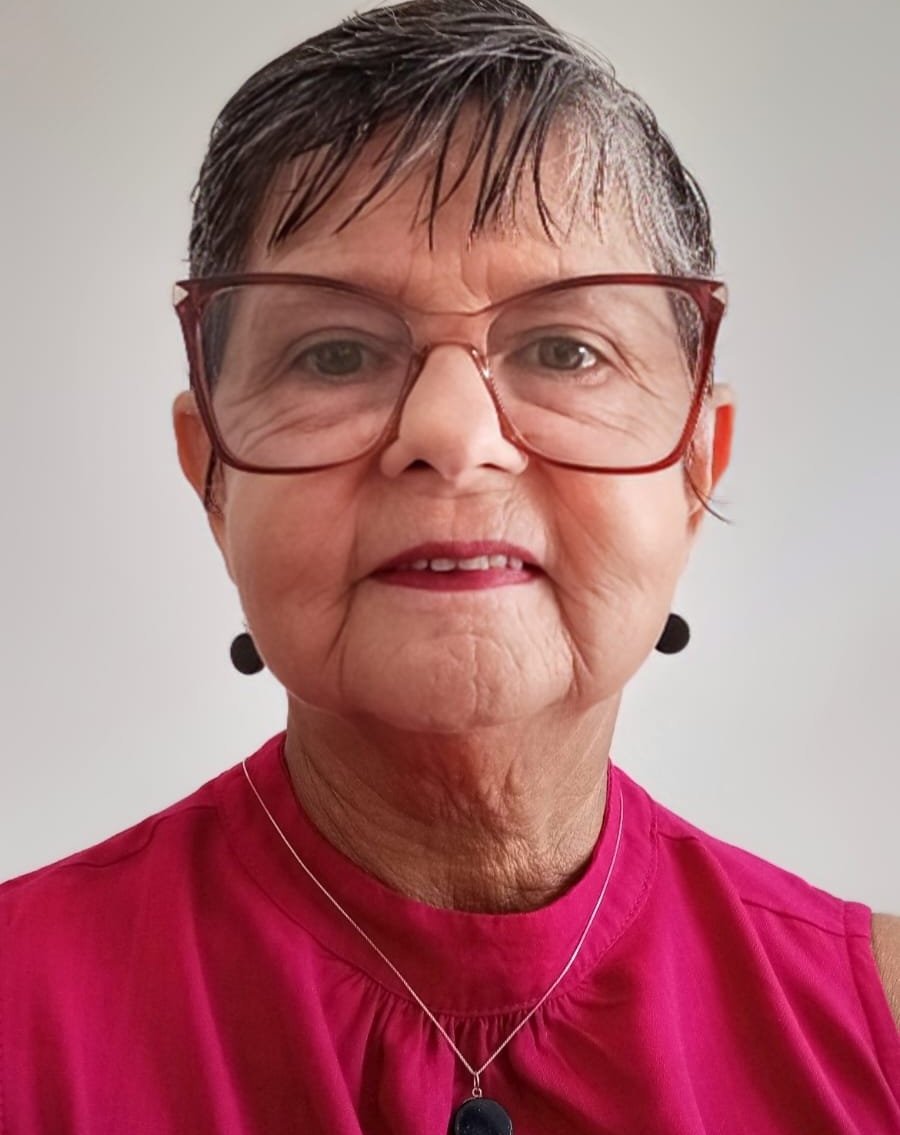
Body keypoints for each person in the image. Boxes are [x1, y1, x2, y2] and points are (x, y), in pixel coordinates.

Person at [2, 1, 898, 1131]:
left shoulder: (880, 1025)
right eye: (336, 353)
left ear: (694, 465)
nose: (452, 434)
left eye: (565, 348)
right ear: (212, 473)